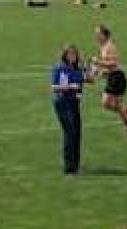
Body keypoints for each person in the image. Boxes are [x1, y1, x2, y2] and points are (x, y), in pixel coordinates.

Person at [90, 25, 127, 133]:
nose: (96, 36)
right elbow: (108, 66)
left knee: (109, 103)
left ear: (104, 34)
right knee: (110, 104)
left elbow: (114, 63)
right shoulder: (104, 47)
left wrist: (98, 62)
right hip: (113, 77)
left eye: (98, 34)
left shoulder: (109, 47)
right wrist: (100, 72)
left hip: (117, 77)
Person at [50, 46, 88, 175]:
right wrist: (70, 86)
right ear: (65, 56)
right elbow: (55, 86)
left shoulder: (76, 69)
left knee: (77, 133)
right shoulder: (60, 69)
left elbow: (89, 79)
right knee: (69, 132)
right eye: (70, 54)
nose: (73, 56)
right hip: (63, 103)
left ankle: (75, 164)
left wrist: (87, 67)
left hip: (74, 103)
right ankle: (68, 166)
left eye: (75, 54)